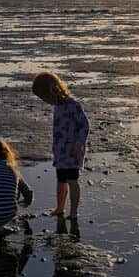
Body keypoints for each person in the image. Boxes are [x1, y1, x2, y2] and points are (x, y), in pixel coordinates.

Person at [32, 71, 90, 219]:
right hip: (60, 151)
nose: (45, 101)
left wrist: (78, 145)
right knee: (61, 180)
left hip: (72, 151)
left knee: (72, 181)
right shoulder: (57, 107)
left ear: (53, 90)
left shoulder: (72, 105)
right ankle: (60, 207)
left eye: (44, 97)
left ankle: (73, 212)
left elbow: (84, 126)